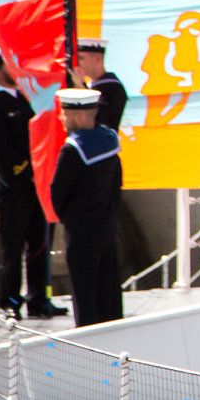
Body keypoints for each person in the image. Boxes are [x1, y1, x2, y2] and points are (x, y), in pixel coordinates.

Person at [0, 50, 64, 319]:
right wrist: (33, 172)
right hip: (16, 189)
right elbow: (5, 153)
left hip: (39, 187)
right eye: (10, 67)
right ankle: (10, 304)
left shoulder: (31, 100)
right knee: (13, 250)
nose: (17, 71)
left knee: (40, 247)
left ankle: (39, 301)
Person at [48, 86, 125, 327]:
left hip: (81, 231)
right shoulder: (110, 141)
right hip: (107, 226)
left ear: (79, 117)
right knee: (109, 289)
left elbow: (57, 194)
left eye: (65, 113)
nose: (61, 118)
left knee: (84, 293)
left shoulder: (72, 150)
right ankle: (113, 336)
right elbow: (117, 185)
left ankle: (89, 344)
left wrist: (69, 219)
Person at [77, 38, 127, 132]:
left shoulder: (112, 88)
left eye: (81, 58)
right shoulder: (93, 85)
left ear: (97, 59)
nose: (77, 64)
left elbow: (96, 119)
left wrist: (81, 86)